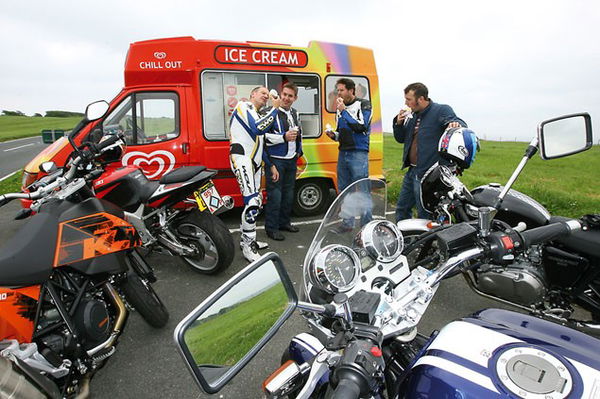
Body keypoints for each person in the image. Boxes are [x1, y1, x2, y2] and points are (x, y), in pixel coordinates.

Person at [393, 82, 466, 222]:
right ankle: (402, 238)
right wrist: (398, 124)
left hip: (428, 175)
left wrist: (455, 124)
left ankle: (424, 242)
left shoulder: (441, 110)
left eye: (409, 99)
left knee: (424, 212)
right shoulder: (412, 115)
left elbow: (456, 121)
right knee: (402, 208)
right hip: (412, 172)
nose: (406, 103)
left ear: (420, 99)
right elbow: (400, 139)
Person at [229, 86, 280, 262]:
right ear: (252, 95)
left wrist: (271, 165)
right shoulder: (243, 106)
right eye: (262, 93)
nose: (266, 96)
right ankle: (248, 248)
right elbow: (258, 129)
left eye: (268, 94)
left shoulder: (258, 114)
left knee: (255, 202)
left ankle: (247, 241)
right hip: (242, 158)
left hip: (256, 164)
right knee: (251, 202)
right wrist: (275, 108)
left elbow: (261, 142)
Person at [325, 78, 372, 232]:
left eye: (341, 90)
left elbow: (361, 126)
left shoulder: (364, 104)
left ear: (351, 90)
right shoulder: (340, 109)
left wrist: (344, 111)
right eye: (337, 90)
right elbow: (343, 132)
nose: (338, 93)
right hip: (343, 152)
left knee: (362, 190)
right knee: (344, 190)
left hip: (358, 153)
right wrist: (334, 135)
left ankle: (366, 227)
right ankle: (347, 223)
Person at [264, 82, 303, 241]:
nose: (286, 98)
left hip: (291, 160)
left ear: (295, 98)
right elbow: (262, 137)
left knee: (288, 195)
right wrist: (283, 137)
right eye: (284, 94)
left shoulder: (295, 113)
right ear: (280, 94)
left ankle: (284, 223)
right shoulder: (269, 112)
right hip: (276, 161)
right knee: (276, 196)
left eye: (290, 96)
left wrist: (299, 151)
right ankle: (271, 228)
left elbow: (299, 133)